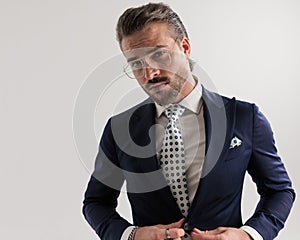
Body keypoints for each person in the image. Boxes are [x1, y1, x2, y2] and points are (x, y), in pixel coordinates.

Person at [82, 3, 295, 240]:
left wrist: (248, 235)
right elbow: (96, 202)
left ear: (184, 47)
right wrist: (132, 235)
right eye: (136, 63)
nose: (150, 73)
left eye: (159, 54)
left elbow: (279, 191)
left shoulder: (245, 118)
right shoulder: (119, 129)